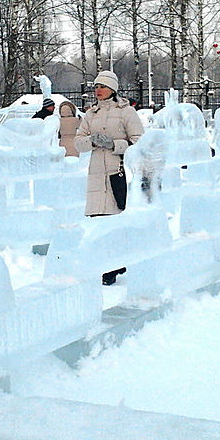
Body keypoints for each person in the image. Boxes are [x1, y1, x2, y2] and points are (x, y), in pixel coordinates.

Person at [75, 70, 144, 285]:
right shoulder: (90, 114)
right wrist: (93, 142)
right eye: (95, 86)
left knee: (116, 220)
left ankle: (116, 264)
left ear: (112, 89)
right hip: (96, 173)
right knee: (98, 221)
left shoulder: (126, 112)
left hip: (118, 170)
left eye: (102, 86)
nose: (98, 90)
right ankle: (105, 265)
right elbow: (78, 142)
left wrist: (114, 145)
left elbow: (140, 142)